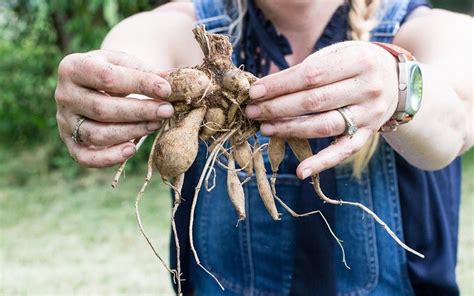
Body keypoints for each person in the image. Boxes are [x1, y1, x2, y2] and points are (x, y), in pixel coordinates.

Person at [54, 0, 473, 295]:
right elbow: (131, 46)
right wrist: (107, 93)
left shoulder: (424, 27)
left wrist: (400, 87)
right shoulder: (190, 27)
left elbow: (455, 121)